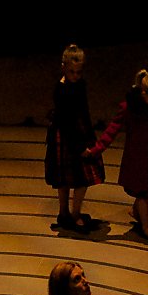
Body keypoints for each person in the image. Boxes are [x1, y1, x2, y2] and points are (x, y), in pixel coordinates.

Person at [91, 69, 148, 242]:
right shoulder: (129, 107)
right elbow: (113, 128)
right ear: (144, 94)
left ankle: (137, 211)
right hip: (138, 157)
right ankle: (145, 226)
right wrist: (97, 148)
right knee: (142, 191)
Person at [45, 44, 105, 232]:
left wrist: (90, 137)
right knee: (64, 180)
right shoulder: (61, 90)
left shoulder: (81, 85)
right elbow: (65, 123)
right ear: (63, 67)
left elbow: (84, 112)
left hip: (81, 133)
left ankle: (75, 212)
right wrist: (81, 146)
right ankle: (65, 213)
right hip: (66, 139)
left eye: (79, 72)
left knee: (81, 179)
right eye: (72, 72)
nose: (76, 76)